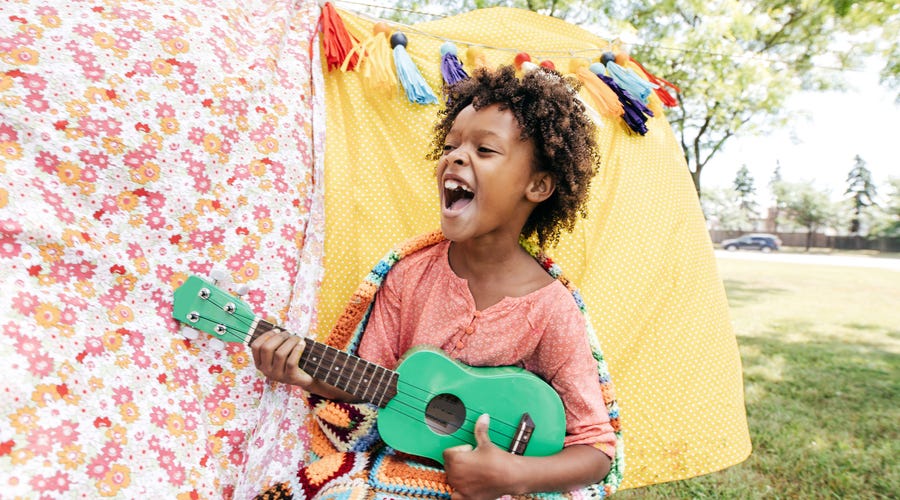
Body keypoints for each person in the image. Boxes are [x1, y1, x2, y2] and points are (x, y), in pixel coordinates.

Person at [251, 64, 621, 499]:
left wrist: (510, 475)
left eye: (484, 150)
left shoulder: (550, 307)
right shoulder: (410, 274)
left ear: (538, 185)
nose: (456, 157)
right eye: (450, 145)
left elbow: (595, 449)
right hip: (397, 468)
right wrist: (302, 372)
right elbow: (368, 378)